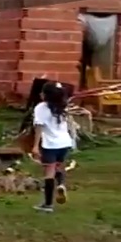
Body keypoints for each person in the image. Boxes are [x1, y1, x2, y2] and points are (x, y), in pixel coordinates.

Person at [31, 81, 72, 212]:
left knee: (49, 172)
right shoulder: (63, 106)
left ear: (46, 95)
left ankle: (48, 204)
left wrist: (35, 146)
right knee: (59, 167)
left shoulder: (40, 108)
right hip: (65, 142)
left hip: (50, 145)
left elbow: (39, 127)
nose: (40, 94)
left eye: (42, 92)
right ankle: (61, 184)